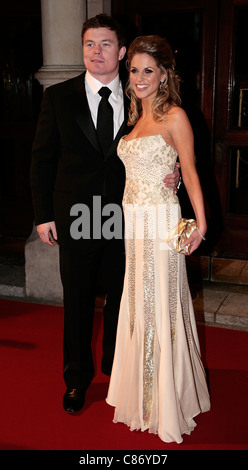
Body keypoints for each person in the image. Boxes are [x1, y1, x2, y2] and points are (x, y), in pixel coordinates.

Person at [30, 15, 180, 414]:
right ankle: (76, 380)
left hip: (127, 217)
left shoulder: (141, 97)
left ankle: (120, 373)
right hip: (76, 215)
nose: (97, 52)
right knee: (76, 301)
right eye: (90, 44)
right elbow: (42, 159)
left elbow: (166, 145)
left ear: (122, 50)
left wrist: (174, 173)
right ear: (82, 49)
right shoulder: (58, 97)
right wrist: (43, 215)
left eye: (106, 44)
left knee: (122, 298)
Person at [106, 35, 211, 444]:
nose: (140, 77)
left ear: (164, 74)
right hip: (133, 224)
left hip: (162, 223)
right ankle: (144, 395)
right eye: (134, 70)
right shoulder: (134, 122)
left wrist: (199, 227)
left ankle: (164, 400)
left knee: (161, 304)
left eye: (148, 70)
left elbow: (191, 170)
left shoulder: (175, 116)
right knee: (138, 302)